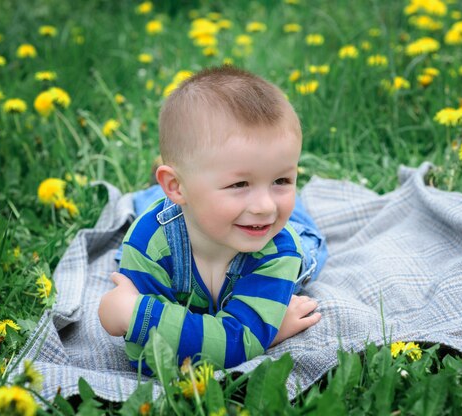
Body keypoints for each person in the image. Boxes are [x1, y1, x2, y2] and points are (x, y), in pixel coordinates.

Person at [98, 66, 327, 374]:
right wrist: (247, 335)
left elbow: (236, 341)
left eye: (283, 180)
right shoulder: (149, 242)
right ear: (177, 187)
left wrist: (136, 315)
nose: (265, 206)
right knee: (155, 208)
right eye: (239, 184)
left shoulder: (280, 248)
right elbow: (149, 359)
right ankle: (164, 188)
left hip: (282, 237)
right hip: (181, 214)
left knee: (303, 233)